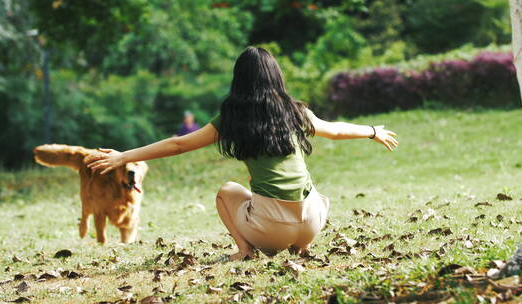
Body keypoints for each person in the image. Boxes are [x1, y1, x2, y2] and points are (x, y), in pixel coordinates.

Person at [87, 47, 398, 262]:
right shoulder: (295, 111)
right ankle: (298, 246)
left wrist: (124, 156)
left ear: (239, 80)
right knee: (298, 185)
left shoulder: (232, 118)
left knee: (227, 191)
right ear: (276, 77)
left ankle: (244, 251)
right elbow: (336, 130)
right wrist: (372, 131)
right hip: (313, 224)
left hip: (271, 231)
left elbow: (178, 144)